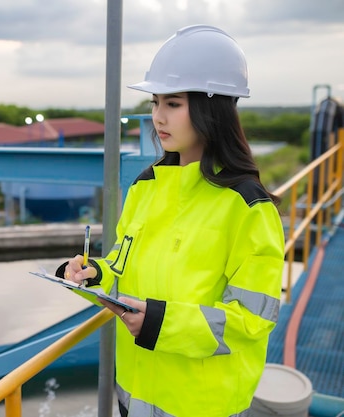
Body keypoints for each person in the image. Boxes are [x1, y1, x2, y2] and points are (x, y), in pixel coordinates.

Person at [57, 25, 285, 417]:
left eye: (173, 104)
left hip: (200, 404)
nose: (158, 118)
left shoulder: (247, 206)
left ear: (213, 108)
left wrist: (161, 322)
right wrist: (91, 274)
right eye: (155, 102)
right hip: (136, 394)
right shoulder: (146, 187)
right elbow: (121, 270)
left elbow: (251, 321)